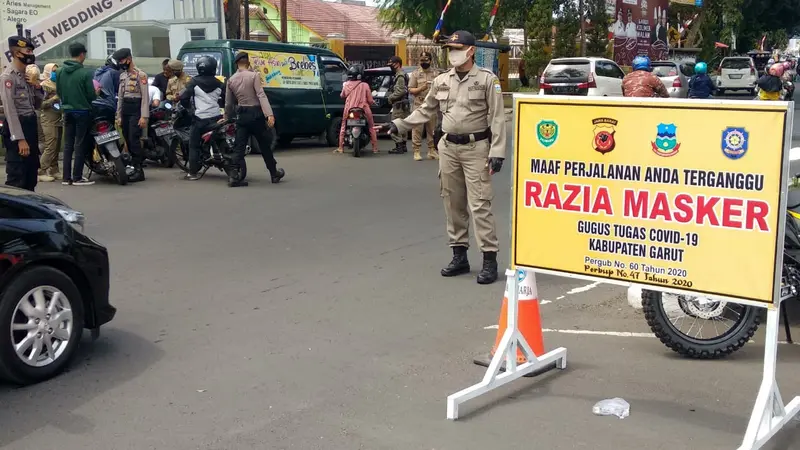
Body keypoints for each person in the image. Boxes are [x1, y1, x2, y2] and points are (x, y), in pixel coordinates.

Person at [387, 31, 506, 284]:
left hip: (477, 148)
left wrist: (497, 152)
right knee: (452, 202)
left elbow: (497, 118)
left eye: (457, 48)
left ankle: (489, 260)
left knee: (480, 204)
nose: (452, 53)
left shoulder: (487, 80)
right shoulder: (442, 80)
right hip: (448, 148)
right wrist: (400, 125)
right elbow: (426, 109)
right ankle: (459, 256)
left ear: (471, 51)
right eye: (449, 49)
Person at [224, 51, 285, 187]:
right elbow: (261, 95)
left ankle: (233, 176)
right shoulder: (254, 76)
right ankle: (274, 173)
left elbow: (228, 103)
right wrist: (269, 114)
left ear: (236, 64)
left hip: (242, 116)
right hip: (255, 114)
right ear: (248, 63)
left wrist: (226, 117)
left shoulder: (231, 80)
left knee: (239, 147)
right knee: (264, 145)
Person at [0, 34, 42, 191]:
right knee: (17, 179)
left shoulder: (26, 77)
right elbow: (10, 111)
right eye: (28, 50)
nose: (31, 54)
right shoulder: (7, 77)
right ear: (18, 53)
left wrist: (37, 86)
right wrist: (20, 139)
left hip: (30, 127)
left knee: (31, 178)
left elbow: (37, 105)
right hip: (18, 130)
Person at [57, 42, 98, 186]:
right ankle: (77, 177)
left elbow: (59, 91)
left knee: (68, 144)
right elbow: (91, 95)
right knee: (80, 143)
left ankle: (66, 177)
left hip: (67, 110)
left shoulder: (60, 71)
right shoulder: (85, 72)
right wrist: (95, 95)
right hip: (82, 111)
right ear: (82, 54)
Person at [179, 56, 226, 181]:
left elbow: (183, 97)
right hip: (217, 117)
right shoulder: (219, 83)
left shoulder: (193, 82)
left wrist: (190, 110)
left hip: (200, 119)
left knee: (193, 145)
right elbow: (226, 99)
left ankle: (193, 173)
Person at [115, 48, 149, 182]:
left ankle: (139, 169)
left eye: (122, 60)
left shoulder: (141, 75)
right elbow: (120, 97)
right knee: (127, 139)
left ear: (129, 59)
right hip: (126, 110)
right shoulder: (123, 76)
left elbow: (145, 97)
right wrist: (118, 115)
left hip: (136, 109)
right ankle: (132, 167)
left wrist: (144, 116)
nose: (120, 63)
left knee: (134, 139)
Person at [336, 64, 378, 154]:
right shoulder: (365, 85)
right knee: (371, 127)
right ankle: (375, 148)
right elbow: (370, 100)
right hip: (363, 109)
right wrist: (372, 102)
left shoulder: (346, 84)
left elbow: (342, 95)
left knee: (343, 126)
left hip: (349, 109)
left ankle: (340, 147)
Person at [408, 51, 438, 161]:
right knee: (417, 129)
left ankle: (431, 151)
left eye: (426, 60)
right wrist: (421, 88)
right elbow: (411, 89)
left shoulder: (436, 73)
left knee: (432, 130)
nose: (424, 62)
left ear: (430, 60)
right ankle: (416, 151)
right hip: (419, 104)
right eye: (422, 60)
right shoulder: (415, 74)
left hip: (431, 105)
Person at [39, 63, 63, 181]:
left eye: (57, 71)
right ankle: (41, 170)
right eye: (53, 71)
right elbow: (40, 104)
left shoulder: (60, 84)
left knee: (57, 145)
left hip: (58, 117)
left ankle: (54, 169)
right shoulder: (44, 85)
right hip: (48, 119)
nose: (55, 73)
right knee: (50, 145)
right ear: (48, 72)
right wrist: (53, 99)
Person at [387, 55, 409, 154]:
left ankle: (399, 146)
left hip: (399, 104)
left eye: (392, 64)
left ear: (397, 64)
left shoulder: (400, 75)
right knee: (402, 125)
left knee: (395, 125)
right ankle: (403, 145)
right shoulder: (403, 74)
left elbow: (400, 91)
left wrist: (390, 97)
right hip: (403, 104)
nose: (390, 66)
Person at [93, 53, 122, 119]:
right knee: (110, 128)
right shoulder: (114, 73)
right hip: (107, 105)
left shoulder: (97, 72)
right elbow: (120, 90)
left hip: (94, 104)